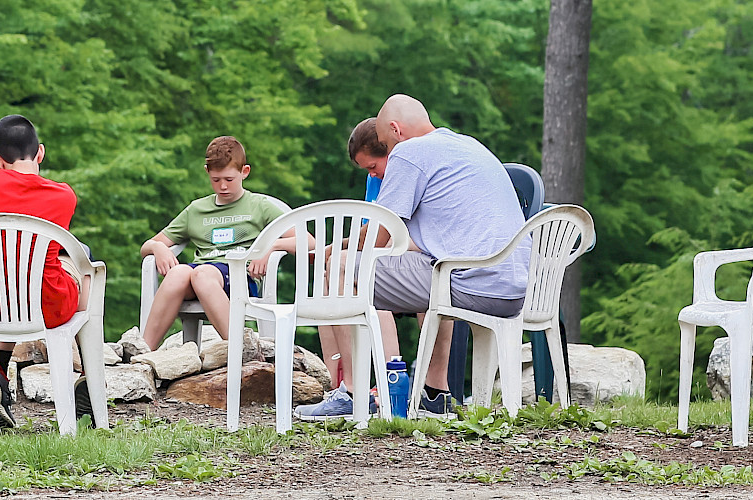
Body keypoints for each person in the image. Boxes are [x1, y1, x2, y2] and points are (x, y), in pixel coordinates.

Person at [311, 95, 530, 419]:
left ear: (396, 130)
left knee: (342, 268)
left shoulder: (410, 152)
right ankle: (434, 392)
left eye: (386, 144)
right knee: (427, 270)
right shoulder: (467, 145)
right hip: (512, 288)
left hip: (470, 282)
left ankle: (353, 394)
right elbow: (411, 243)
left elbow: (379, 236)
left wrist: (334, 250)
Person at [0, 114, 88, 429]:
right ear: (41, 153)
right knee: (82, 265)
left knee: (6, 276)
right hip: (45, 306)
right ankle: (87, 379)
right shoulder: (63, 195)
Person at [139, 136, 299, 350]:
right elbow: (148, 245)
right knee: (178, 273)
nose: (223, 186)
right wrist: (158, 248)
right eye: (216, 180)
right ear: (207, 172)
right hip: (200, 274)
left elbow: (307, 241)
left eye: (229, 179)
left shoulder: (259, 206)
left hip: (239, 275)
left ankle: (241, 350)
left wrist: (270, 248)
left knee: (202, 274)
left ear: (245, 172)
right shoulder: (196, 210)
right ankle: (143, 353)